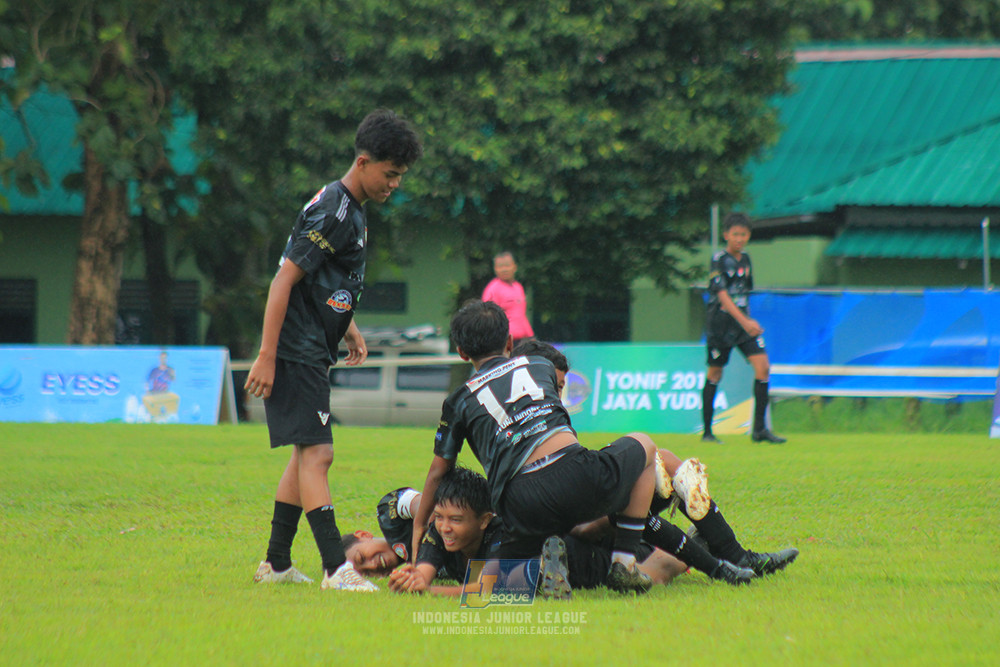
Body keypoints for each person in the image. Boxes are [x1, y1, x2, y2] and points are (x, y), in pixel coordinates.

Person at [244, 109, 422, 591]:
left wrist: (348, 328)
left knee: (303, 456)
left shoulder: (349, 207)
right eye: (389, 175)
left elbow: (321, 282)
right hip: (296, 349)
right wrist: (267, 353)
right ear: (363, 162)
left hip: (311, 346)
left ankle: (276, 564)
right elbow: (284, 279)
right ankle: (334, 568)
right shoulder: (335, 211)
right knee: (319, 455)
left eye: (400, 177)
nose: (394, 185)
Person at [411, 300, 662, 594]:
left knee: (495, 581)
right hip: (576, 475)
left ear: (461, 352)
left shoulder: (458, 401)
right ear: (509, 342)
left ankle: (432, 591)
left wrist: (419, 526)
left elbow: (438, 472)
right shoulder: (540, 365)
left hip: (520, 502)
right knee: (645, 445)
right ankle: (624, 562)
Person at [511, 339, 797, 581]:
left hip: (584, 516)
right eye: (555, 386)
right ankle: (726, 556)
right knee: (654, 470)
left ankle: (730, 555)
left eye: (561, 388)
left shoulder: (534, 417)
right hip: (573, 532)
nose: (558, 396)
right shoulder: (513, 425)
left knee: (664, 462)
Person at [388, 467, 688, 598]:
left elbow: (487, 593)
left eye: (455, 519)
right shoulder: (439, 533)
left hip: (581, 560)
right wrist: (412, 578)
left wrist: (428, 591)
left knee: (657, 570)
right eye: (438, 517)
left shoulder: (498, 533)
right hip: (550, 555)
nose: (444, 527)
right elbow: (424, 570)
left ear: (484, 520)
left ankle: (692, 545)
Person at [702, 212, 786, 444]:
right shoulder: (719, 259)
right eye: (735, 234)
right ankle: (707, 432)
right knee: (715, 373)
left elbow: (743, 293)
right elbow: (723, 296)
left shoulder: (746, 260)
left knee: (763, 367)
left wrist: (748, 322)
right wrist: (746, 321)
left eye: (744, 234)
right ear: (726, 235)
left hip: (742, 326)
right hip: (720, 326)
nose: (739, 238)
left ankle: (759, 429)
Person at [481, 251, 534, 346]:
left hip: (522, 340)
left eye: (507, 265)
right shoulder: (492, 290)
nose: (504, 269)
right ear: (495, 269)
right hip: (504, 341)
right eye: (500, 266)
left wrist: (531, 336)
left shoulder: (518, 287)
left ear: (515, 267)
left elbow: (521, 315)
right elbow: (488, 318)